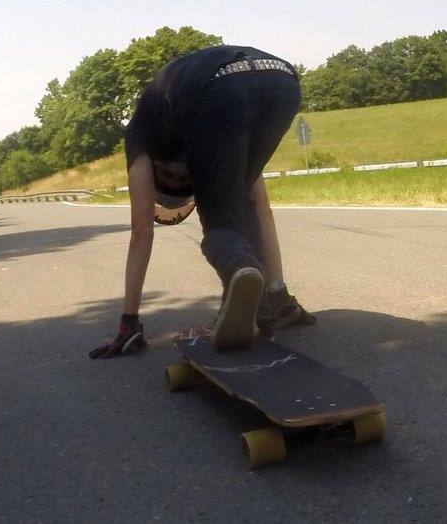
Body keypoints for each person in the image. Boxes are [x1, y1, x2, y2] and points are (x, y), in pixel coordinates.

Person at [89, 45, 314, 359]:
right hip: (281, 79)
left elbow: (142, 230)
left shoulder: (140, 132)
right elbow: (260, 208)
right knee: (240, 200)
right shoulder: (195, 129)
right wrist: (281, 295)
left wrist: (129, 322)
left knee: (220, 226)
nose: (182, 181)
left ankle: (242, 274)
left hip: (220, 86)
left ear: (155, 173)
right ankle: (264, 305)